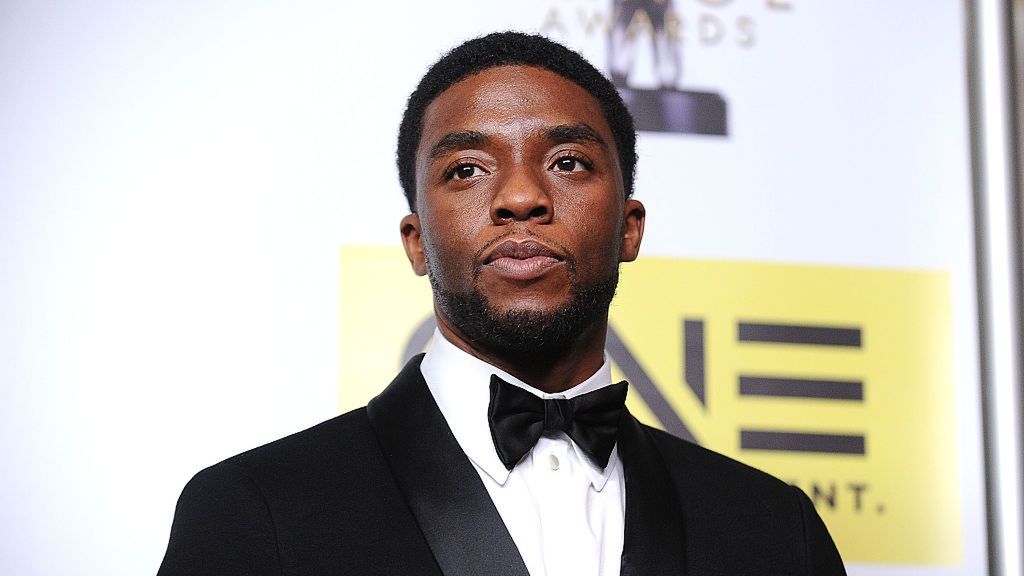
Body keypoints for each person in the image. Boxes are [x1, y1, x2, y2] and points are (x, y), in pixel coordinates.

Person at [157, 31, 846, 575]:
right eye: (467, 169)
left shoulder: (773, 529)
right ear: (417, 240)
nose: (521, 197)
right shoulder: (255, 511)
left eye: (568, 162)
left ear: (629, 227)